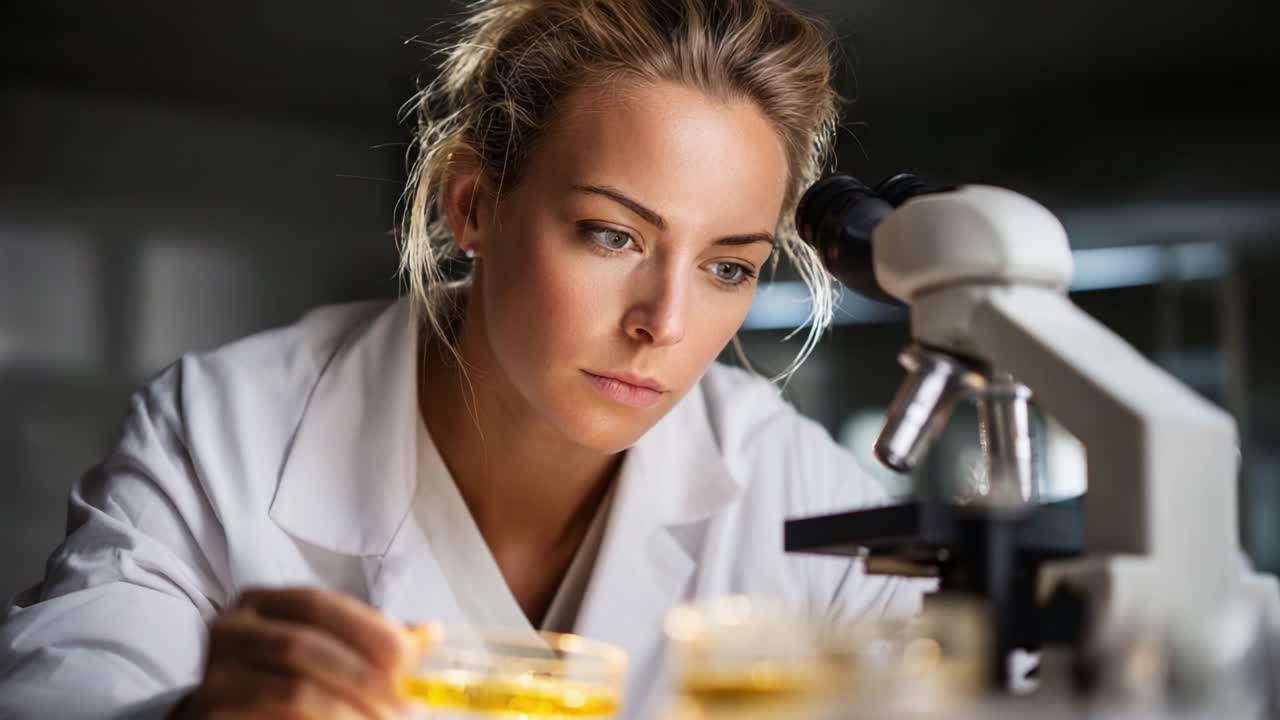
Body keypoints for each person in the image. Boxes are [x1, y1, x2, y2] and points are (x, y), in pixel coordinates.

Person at [0, 0, 930, 717]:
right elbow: (63, 692)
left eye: (729, 266)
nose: (666, 321)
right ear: (474, 204)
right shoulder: (220, 438)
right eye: (611, 236)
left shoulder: (797, 494)